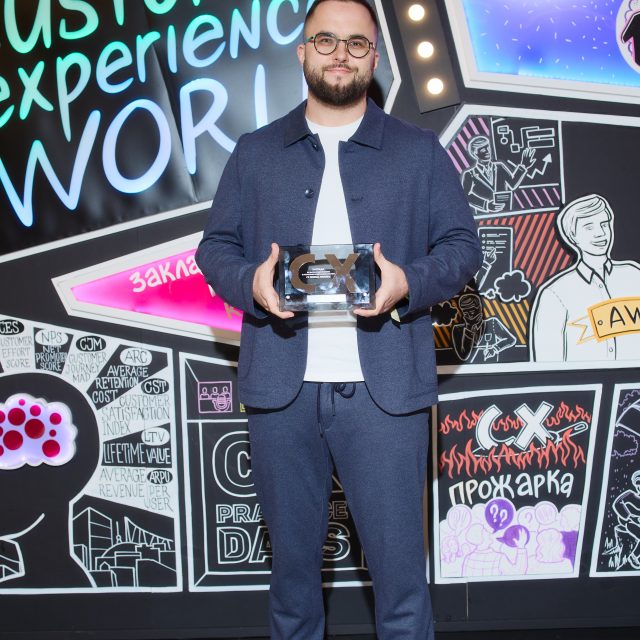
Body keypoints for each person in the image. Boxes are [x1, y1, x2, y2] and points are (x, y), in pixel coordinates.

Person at [196, 1, 482, 637]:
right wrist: (252, 284)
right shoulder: (255, 152)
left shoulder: (418, 152)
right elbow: (214, 249)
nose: (340, 55)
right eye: (325, 40)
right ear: (302, 51)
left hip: (386, 396)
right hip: (282, 393)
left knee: (402, 589)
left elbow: (463, 247)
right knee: (292, 589)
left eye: (356, 43)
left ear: (375, 58)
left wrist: (408, 283)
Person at [530, 193, 640, 362]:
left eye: (604, 224)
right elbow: (547, 365)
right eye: (589, 227)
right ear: (572, 236)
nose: (600, 233)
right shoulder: (555, 293)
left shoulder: (634, 275)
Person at [461, 135, 535, 215]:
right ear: (475, 154)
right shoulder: (469, 174)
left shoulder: (500, 166)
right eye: (483, 150)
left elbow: (513, 184)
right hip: (483, 216)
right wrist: (486, 205)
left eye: (488, 147)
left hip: (505, 213)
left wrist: (523, 166)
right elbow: (465, 196)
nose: (487, 151)